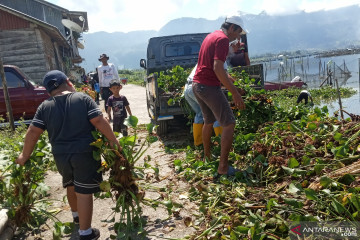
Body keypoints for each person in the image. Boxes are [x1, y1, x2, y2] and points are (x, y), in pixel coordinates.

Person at [15, 70, 120, 240]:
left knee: (71, 185)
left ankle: (76, 216)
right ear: (68, 83)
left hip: (61, 156)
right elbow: (99, 121)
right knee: (84, 192)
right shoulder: (83, 99)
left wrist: (24, 156)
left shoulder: (45, 106)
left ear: (49, 91)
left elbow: (33, 131)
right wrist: (114, 143)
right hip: (84, 153)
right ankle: (86, 233)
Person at [192, 15, 246, 176]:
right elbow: (218, 68)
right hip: (208, 87)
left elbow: (216, 67)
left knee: (208, 121)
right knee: (229, 123)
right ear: (232, 28)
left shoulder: (212, 35)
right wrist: (235, 93)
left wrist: (233, 87)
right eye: (238, 33)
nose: (238, 37)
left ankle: (207, 157)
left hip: (197, 85)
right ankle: (223, 167)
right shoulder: (222, 40)